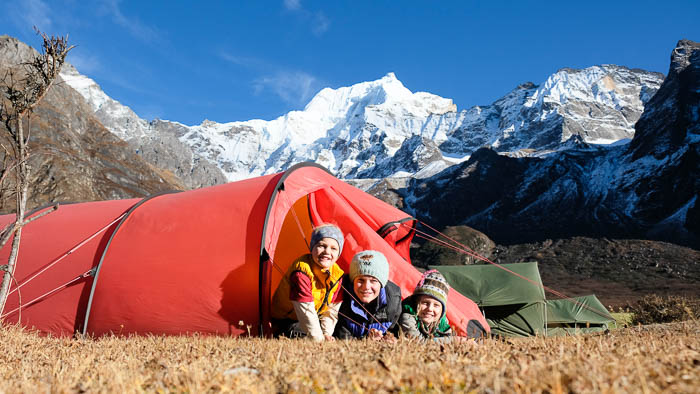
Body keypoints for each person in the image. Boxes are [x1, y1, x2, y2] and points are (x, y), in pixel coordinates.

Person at [271, 224, 345, 341]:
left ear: (338, 253)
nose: (327, 251)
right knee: (301, 333)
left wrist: (326, 334)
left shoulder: (337, 274)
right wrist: (319, 340)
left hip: (314, 318)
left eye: (333, 248)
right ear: (312, 247)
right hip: (287, 321)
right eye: (321, 246)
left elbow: (331, 310)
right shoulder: (301, 271)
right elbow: (305, 310)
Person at [334, 250, 402, 341]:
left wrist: (389, 338)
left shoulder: (393, 300)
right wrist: (366, 340)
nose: (366, 287)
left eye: (373, 280)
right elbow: (340, 337)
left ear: (382, 283)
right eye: (360, 280)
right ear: (352, 281)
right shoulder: (342, 295)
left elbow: (396, 331)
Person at [399, 269, 455, 342]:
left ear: (442, 310)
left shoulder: (442, 322)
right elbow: (419, 343)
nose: (430, 309)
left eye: (436, 305)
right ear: (416, 302)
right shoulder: (408, 317)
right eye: (425, 303)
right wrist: (454, 341)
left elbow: (448, 337)